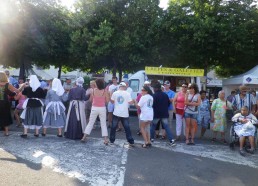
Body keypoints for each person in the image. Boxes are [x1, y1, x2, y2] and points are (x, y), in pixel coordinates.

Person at [81, 78, 110, 144]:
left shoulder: (93, 91)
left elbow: (91, 100)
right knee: (103, 124)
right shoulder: (105, 91)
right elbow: (107, 101)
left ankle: (84, 137)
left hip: (94, 108)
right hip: (102, 108)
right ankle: (105, 140)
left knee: (90, 123)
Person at [150, 81, 176, 146]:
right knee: (167, 127)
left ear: (156, 88)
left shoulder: (154, 95)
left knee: (153, 126)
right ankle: (171, 140)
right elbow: (168, 103)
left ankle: (151, 138)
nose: (153, 89)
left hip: (156, 113)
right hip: (164, 113)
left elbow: (152, 105)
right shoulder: (165, 95)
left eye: (154, 88)